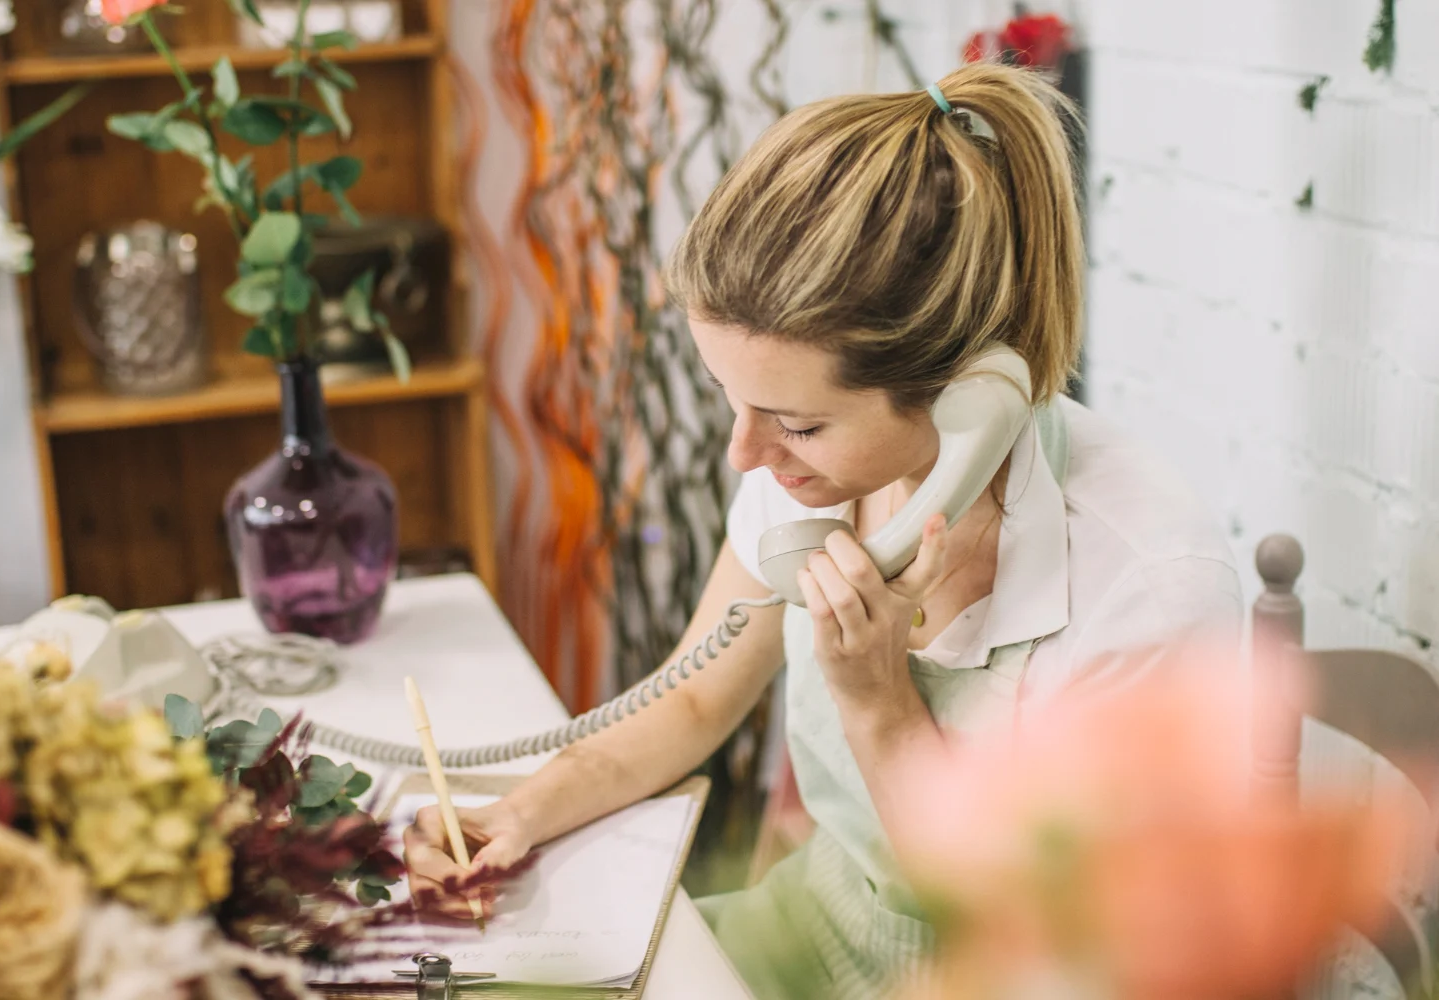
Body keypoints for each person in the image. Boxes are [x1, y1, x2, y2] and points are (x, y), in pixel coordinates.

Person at [403, 63, 1242, 998]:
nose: (744, 455)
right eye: (733, 402)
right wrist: (516, 817)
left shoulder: (1149, 589)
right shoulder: (807, 477)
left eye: (797, 423)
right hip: (802, 937)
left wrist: (877, 701)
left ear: (976, 396)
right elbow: (691, 703)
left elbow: (1040, 938)